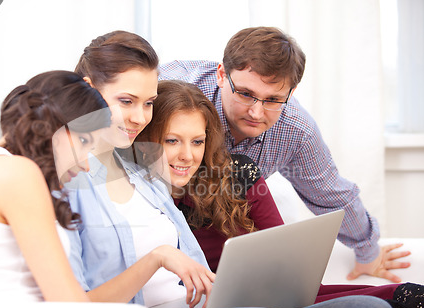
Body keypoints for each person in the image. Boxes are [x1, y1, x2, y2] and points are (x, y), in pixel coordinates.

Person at [0, 69, 299, 308]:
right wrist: (157, 258)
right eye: (82, 144)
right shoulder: (19, 174)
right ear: (55, 127)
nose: (84, 164)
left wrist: (160, 257)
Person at [136, 79, 423, 308]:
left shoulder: (239, 174)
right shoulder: (138, 198)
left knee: (396, 306)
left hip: (272, 298)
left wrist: (366, 248)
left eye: (197, 142)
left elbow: (290, 258)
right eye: (172, 140)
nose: (187, 155)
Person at [158, 26, 411, 283]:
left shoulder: (296, 131)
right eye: (246, 94)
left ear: (292, 92)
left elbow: (331, 194)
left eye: (273, 99)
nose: (256, 113)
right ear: (222, 74)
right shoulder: (167, 89)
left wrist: (368, 253)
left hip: (218, 234)